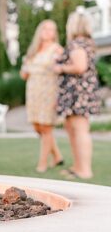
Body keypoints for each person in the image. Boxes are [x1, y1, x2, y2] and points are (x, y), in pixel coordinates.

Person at [55, 11, 100, 180]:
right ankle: (77, 166)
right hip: (78, 92)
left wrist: (60, 68)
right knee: (72, 128)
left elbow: (80, 67)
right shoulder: (86, 43)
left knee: (80, 130)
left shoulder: (77, 44)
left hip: (78, 93)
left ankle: (85, 170)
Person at [20, 20, 65, 172]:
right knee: (37, 126)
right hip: (33, 92)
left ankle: (43, 163)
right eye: (45, 28)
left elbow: (62, 73)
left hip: (49, 91)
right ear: (39, 31)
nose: (47, 31)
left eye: (51, 29)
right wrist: (26, 65)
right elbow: (24, 75)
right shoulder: (33, 51)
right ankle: (57, 155)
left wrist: (59, 96)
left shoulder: (57, 50)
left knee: (46, 127)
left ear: (55, 33)